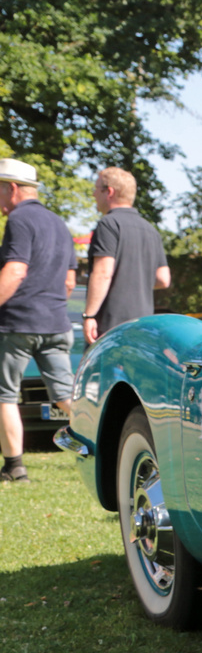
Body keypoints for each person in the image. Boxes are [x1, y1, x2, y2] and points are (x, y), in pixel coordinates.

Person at [0, 158, 77, 484]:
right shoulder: (59, 223)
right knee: (66, 395)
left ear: (12, 188)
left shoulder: (19, 220)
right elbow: (70, 280)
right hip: (57, 322)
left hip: (19, 324)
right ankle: (106, 446)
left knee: (4, 394)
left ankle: (15, 467)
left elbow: (15, 271)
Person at [83, 167, 169, 344]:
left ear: (109, 192)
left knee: (104, 372)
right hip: (143, 325)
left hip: (110, 327)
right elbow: (163, 279)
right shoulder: (150, 230)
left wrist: (89, 315)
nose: (93, 195)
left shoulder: (108, 224)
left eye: (96, 189)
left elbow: (103, 273)